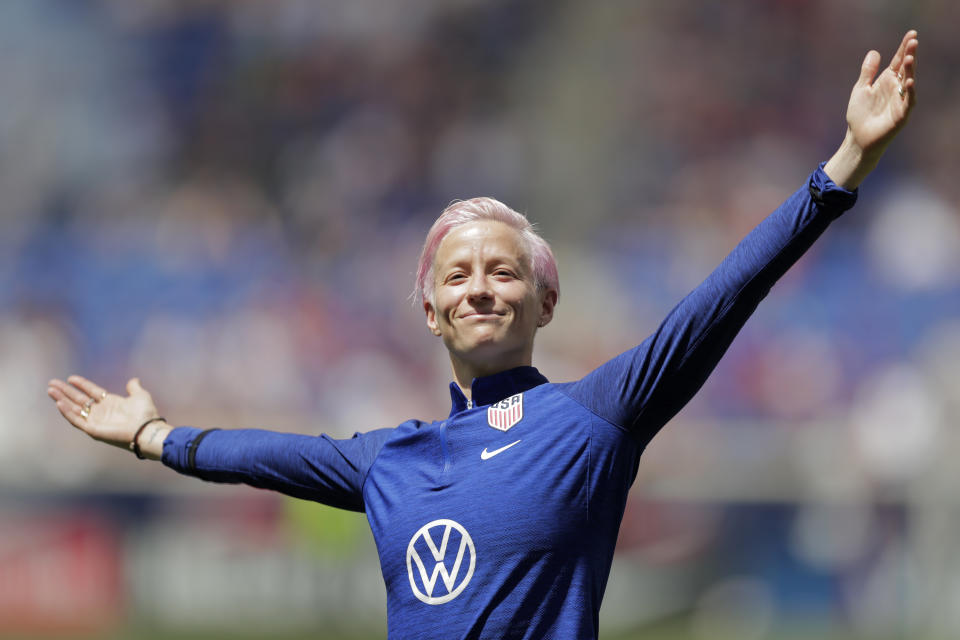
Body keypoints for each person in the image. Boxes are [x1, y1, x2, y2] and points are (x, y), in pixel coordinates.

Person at [48, 31, 919, 640]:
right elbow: (266, 454)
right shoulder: (391, 459)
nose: (479, 288)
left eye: (503, 271)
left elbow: (723, 298)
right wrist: (154, 437)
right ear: (429, 312)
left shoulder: (594, 421)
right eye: (457, 275)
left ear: (546, 301)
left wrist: (842, 167)